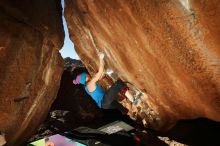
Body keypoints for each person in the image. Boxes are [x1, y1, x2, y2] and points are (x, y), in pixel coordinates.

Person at [72, 52, 141, 113]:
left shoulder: (87, 86)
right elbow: (100, 72)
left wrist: (102, 74)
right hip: (105, 101)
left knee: (117, 105)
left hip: (104, 105)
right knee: (118, 84)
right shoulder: (90, 83)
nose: (88, 74)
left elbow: (99, 76)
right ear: (85, 78)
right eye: (87, 74)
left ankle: (129, 112)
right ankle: (133, 100)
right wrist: (101, 58)